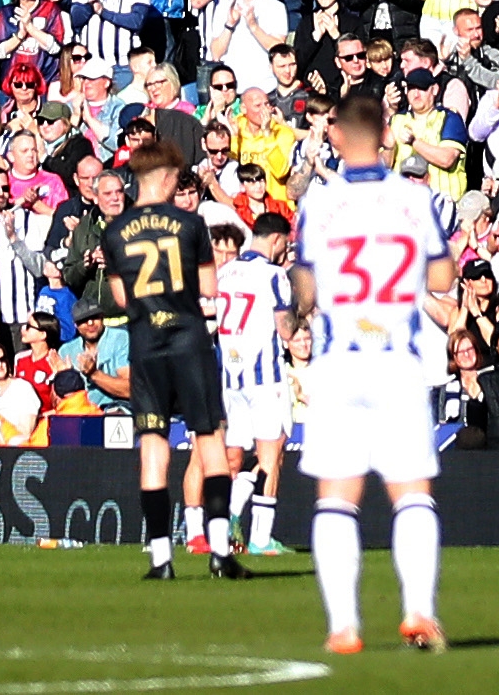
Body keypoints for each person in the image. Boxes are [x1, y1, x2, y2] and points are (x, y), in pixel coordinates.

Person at [291, 88, 455, 655]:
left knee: (336, 498)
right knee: (411, 494)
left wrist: (299, 314)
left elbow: (305, 287)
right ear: (386, 132)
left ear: (336, 134)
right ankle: (419, 612)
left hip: (339, 363)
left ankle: (343, 627)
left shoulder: (319, 202)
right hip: (396, 361)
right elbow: (440, 277)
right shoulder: (414, 200)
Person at [107, 129, 230, 579]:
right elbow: (210, 289)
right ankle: (219, 552)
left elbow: (121, 298)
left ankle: (161, 559)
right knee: (210, 442)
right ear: (164, 178)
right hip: (189, 342)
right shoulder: (191, 224)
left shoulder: (116, 230)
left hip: (147, 346)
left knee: (154, 450)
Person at [204, 195, 296, 564]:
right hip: (265, 377)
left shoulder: (224, 273)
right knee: (272, 455)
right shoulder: (274, 275)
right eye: (284, 246)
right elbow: (286, 331)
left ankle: (227, 523)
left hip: (232, 377)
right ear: (276, 241)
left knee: (240, 457)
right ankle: (260, 537)